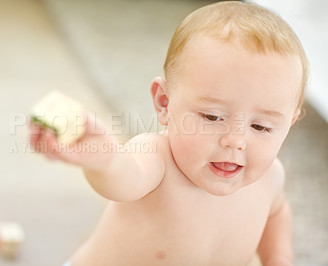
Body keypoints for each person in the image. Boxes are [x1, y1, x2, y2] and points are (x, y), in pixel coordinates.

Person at [29, 1, 308, 265]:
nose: (235, 141)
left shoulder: (271, 177)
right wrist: (105, 158)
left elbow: (276, 211)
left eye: (261, 127)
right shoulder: (157, 159)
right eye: (212, 117)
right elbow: (123, 179)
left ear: (289, 124)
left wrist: (278, 258)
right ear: (164, 103)